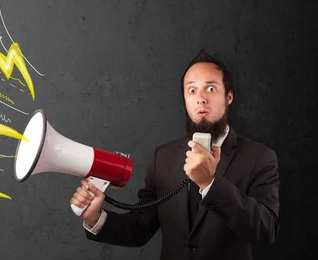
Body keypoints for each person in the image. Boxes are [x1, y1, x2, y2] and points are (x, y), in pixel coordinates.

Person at [71, 49, 279, 260]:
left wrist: (210, 184)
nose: (201, 99)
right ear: (185, 100)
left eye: (210, 88)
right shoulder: (163, 157)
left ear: (229, 96)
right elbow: (140, 228)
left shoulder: (260, 158)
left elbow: (265, 231)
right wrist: (95, 218)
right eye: (191, 90)